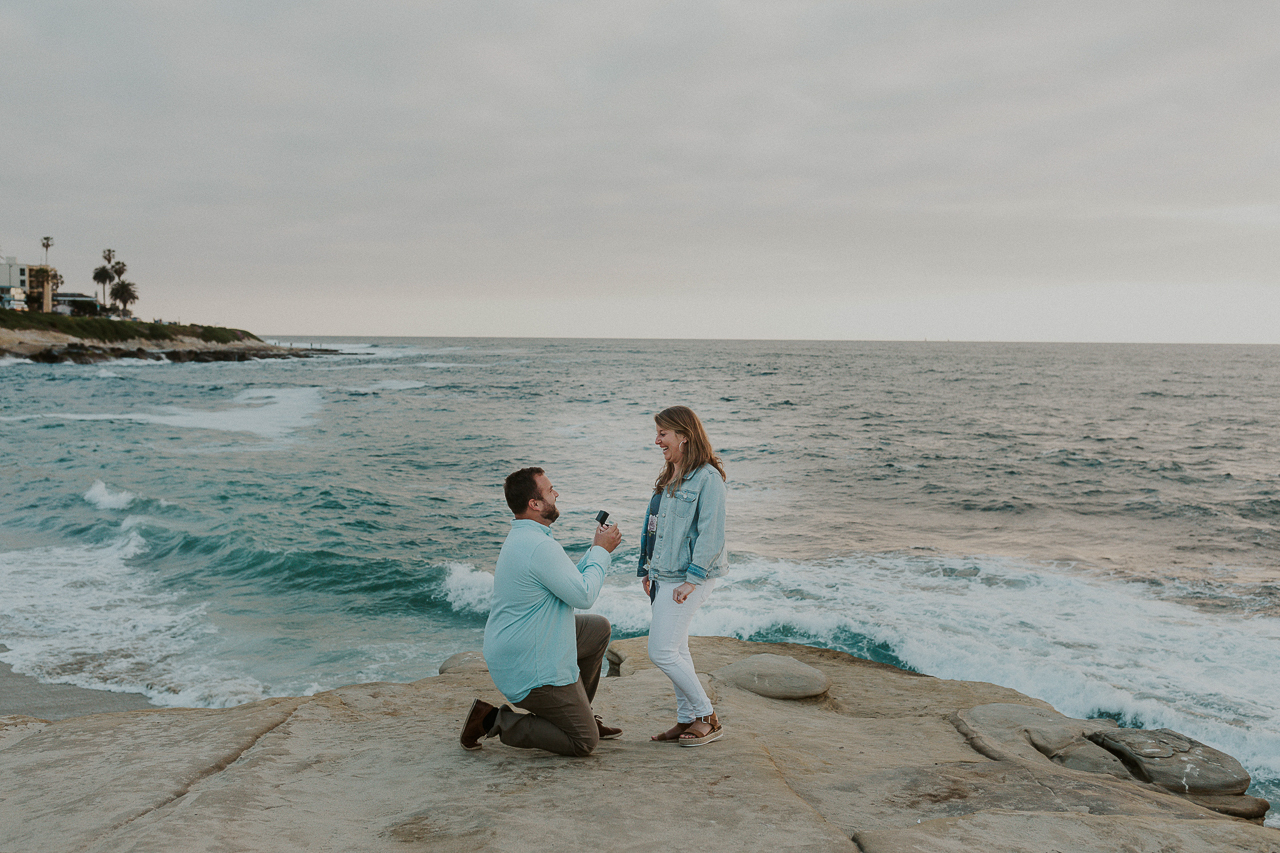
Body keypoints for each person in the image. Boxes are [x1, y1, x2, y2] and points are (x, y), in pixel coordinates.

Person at [460, 466, 624, 756]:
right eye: (550, 491)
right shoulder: (538, 546)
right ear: (534, 504)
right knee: (584, 741)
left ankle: (575, 713)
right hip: (528, 666)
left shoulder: (530, 539)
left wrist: (593, 550)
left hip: (520, 649)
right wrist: (601, 552)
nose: (556, 493)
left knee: (598, 629)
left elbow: (567, 583)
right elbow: (584, 595)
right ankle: (492, 720)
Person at [638, 406, 728, 747]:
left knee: (661, 651)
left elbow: (711, 534)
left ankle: (707, 716)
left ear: (684, 436)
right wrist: (645, 570)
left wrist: (692, 580)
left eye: (663, 433)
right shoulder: (669, 476)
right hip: (663, 576)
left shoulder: (708, 479)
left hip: (691, 578)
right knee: (677, 649)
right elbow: (653, 527)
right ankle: (686, 717)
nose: (657, 440)